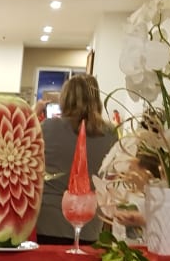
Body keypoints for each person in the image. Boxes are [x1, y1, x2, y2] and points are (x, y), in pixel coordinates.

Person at [37, 74, 117, 244]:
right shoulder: (110, 134)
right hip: (88, 225)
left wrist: (33, 114)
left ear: (64, 98)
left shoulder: (47, 127)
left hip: (46, 221)